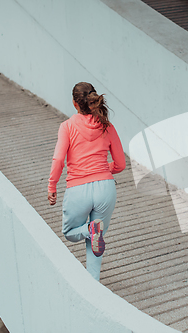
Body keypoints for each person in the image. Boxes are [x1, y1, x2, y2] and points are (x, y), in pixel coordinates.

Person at [48, 82, 126, 280]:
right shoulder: (107, 127)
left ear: (75, 104)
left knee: (71, 232)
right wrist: (102, 170)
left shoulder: (67, 127)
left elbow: (58, 159)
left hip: (78, 188)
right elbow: (120, 164)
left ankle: (89, 229)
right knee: (96, 238)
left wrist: (52, 185)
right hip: (105, 189)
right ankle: (94, 283)